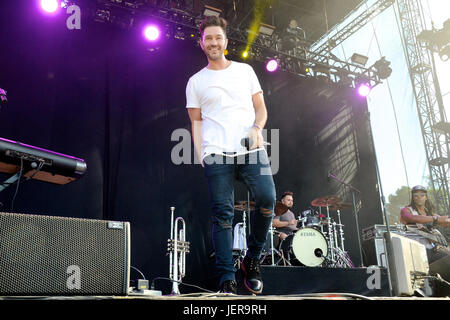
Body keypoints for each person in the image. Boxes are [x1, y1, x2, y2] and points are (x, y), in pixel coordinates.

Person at [185, 16, 276, 295]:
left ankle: (252, 260)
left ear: (226, 42)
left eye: (218, 37)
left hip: (251, 149)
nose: (213, 42)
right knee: (222, 215)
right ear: (202, 43)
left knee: (268, 199)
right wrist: (202, 154)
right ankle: (227, 277)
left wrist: (257, 127)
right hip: (217, 154)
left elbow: (260, 109)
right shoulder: (196, 82)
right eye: (208, 38)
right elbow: (196, 122)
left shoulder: (245, 71)